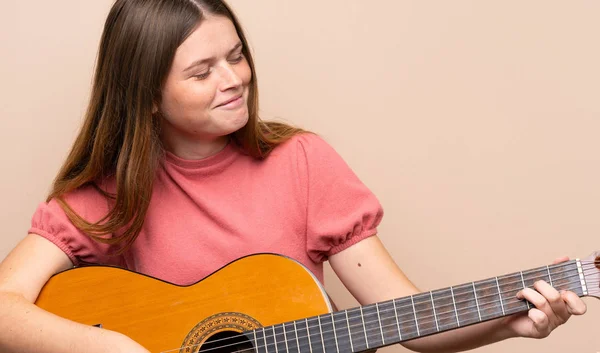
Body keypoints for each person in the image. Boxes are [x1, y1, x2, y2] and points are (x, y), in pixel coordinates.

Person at [0, 0, 587, 352]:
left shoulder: (303, 162)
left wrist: (509, 323)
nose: (233, 78)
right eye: (201, 71)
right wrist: (109, 346)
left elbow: (406, 316)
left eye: (235, 55)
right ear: (147, 96)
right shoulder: (106, 194)